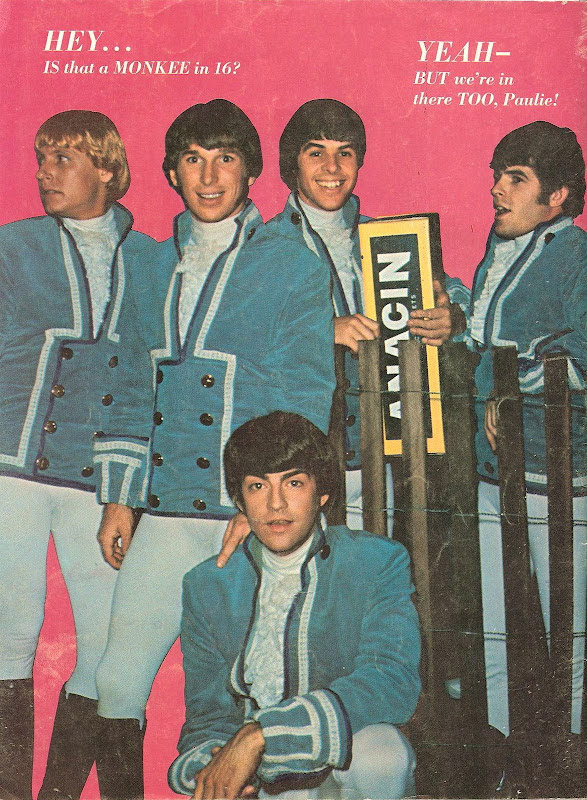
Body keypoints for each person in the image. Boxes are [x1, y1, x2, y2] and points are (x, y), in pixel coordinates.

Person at [90, 100, 336, 798]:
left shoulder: (291, 262)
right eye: (192, 159)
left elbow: (305, 394)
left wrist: (265, 506)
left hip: (250, 516)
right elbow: (128, 382)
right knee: (116, 680)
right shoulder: (145, 263)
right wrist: (119, 499)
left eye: (225, 159)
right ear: (171, 172)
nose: (208, 176)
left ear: (250, 171)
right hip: (168, 510)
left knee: (255, 692)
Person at [0, 110, 154, 800]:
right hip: (10, 469)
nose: (45, 172)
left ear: (107, 169)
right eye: (42, 159)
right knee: (9, 637)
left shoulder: (151, 256)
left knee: (111, 651)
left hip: (101, 480)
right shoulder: (12, 246)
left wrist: (127, 488)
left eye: (63, 158)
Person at [168, 411, 421, 800]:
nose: (276, 504)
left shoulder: (375, 561)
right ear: (239, 501)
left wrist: (263, 735)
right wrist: (219, 769)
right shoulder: (207, 585)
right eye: (257, 486)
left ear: (322, 493)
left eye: (294, 483)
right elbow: (208, 716)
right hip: (259, 778)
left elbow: (390, 682)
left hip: (342, 766)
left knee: (382, 755)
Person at [268, 99, 468, 532]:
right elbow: (241, 336)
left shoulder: (387, 237)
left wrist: (452, 315)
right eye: (316, 152)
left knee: (371, 562)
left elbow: (454, 291)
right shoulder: (263, 244)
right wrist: (321, 330)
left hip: (379, 450)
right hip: (297, 454)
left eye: (345, 153)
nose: (332, 167)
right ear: (292, 162)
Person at [470, 121, 586, 755]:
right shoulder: (500, 251)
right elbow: (485, 343)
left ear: (557, 196)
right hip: (492, 472)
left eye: (516, 179)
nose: (497, 189)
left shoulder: (575, 255)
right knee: (495, 624)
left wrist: (513, 388)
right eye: (497, 176)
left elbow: (582, 356)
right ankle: (502, 750)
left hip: (558, 478)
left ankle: (572, 760)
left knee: (569, 632)